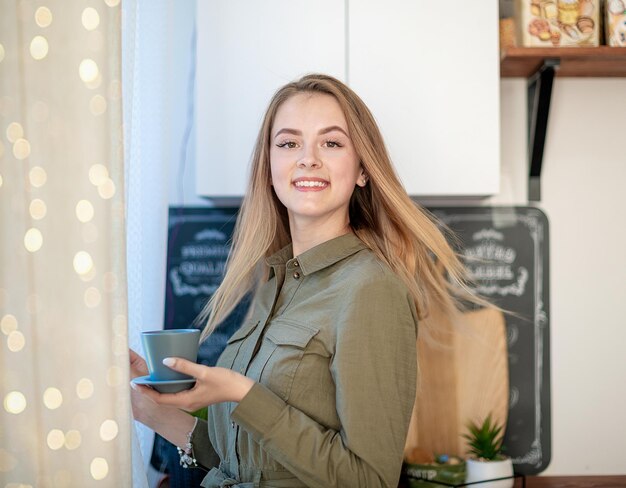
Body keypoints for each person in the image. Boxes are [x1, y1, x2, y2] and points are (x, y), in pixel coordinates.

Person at [131, 73, 474, 487]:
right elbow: (234, 459)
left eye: (331, 143)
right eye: (289, 143)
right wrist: (142, 405)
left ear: (363, 170)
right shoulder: (273, 285)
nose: (308, 158)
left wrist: (242, 392)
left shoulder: (371, 289)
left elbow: (369, 479)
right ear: (270, 168)